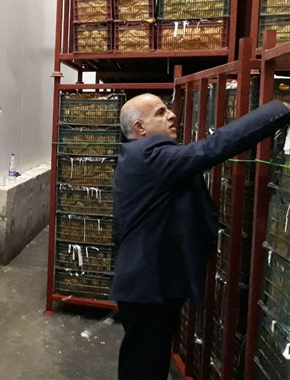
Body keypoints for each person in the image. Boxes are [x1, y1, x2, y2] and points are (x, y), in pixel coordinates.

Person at [111, 93, 290, 380]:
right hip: (149, 287)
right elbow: (213, 147)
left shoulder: (137, 158)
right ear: (140, 128)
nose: (172, 115)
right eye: (160, 112)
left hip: (145, 282)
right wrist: (280, 109)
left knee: (144, 360)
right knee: (144, 366)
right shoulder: (150, 157)